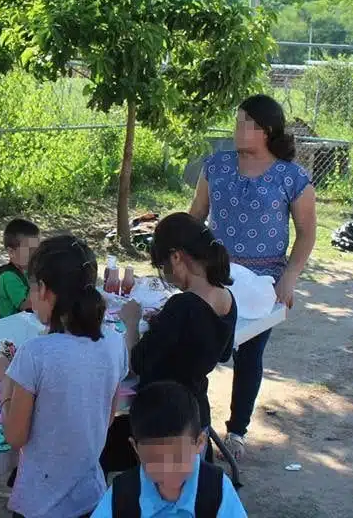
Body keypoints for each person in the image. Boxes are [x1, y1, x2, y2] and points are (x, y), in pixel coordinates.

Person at [189, 94, 316, 460]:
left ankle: (237, 431)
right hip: (215, 274)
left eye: (250, 123)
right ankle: (195, 426)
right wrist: (178, 254)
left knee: (249, 352)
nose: (240, 128)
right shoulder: (216, 166)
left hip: (263, 280)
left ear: (268, 131)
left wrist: (289, 278)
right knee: (199, 347)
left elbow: (307, 233)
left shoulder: (291, 176)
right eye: (239, 120)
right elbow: (196, 215)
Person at [0, 235, 128, 518]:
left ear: (43, 289)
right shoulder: (115, 342)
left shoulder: (36, 353)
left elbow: (15, 436)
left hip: (41, 505)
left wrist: (6, 381)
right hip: (90, 497)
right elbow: (107, 416)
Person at [103, 213, 237, 474]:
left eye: (163, 266)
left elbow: (137, 362)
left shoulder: (182, 306)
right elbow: (221, 353)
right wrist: (163, 324)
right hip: (196, 413)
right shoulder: (226, 298)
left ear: (176, 257)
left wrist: (132, 322)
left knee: (97, 445)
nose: (165, 275)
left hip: (161, 421)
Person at [91, 381, 247, 518]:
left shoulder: (216, 489)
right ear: (135, 448)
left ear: (199, 442)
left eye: (178, 458)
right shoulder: (122, 495)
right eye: (154, 459)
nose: (167, 471)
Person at [0, 218, 41, 318]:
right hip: (13, 326)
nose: (35, 254)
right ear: (11, 252)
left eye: (37, 249)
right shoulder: (9, 276)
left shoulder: (26, 269)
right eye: (30, 250)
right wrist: (36, 276)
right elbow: (27, 307)